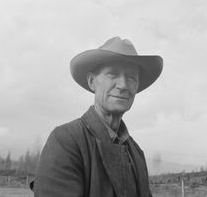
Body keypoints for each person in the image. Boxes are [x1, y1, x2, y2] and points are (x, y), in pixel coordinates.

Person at [34, 36, 163, 197]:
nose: (123, 85)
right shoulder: (65, 141)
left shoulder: (136, 153)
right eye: (112, 74)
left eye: (131, 77)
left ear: (136, 86)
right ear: (92, 81)